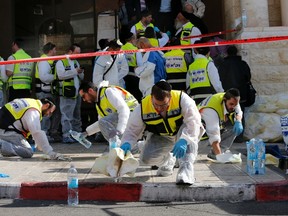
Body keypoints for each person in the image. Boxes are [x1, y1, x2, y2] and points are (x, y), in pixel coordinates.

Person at [120, 80, 204, 185]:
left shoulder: (182, 99)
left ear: (170, 98)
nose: (159, 109)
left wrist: (184, 139)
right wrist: (127, 143)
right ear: (151, 98)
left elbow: (193, 123)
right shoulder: (142, 108)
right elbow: (131, 130)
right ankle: (168, 161)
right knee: (146, 159)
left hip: (182, 132)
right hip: (162, 136)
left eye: (164, 105)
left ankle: (186, 173)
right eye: (156, 105)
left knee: (189, 142)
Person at [0, 97, 65, 160]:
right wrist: (50, 152)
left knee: (15, 147)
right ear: (47, 105)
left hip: (6, 126)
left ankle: (3, 146)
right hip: (5, 130)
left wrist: (39, 144)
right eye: (50, 112)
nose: (48, 115)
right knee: (27, 152)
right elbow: (37, 133)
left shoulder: (31, 102)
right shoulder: (33, 111)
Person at [198, 88, 243, 161]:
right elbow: (213, 137)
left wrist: (238, 121)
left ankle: (215, 153)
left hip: (211, 127)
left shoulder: (232, 99)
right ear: (224, 100)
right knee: (189, 154)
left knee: (233, 128)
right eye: (231, 104)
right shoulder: (211, 111)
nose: (233, 107)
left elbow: (238, 111)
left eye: (235, 104)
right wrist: (220, 158)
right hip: (199, 134)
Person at [218, 45, 251, 142]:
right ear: (236, 52)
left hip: (227, 95)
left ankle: (227, 138)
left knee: (226, 115)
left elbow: (219, 78)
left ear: (227, 53)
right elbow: (248, 77)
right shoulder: (243, 64)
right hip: (241, 94)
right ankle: (239, 137)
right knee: (240, 114)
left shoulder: (223, 64)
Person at [55, 44, 84, 143]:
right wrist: (75, 71)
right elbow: (61, 75)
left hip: (76, 92)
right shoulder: (61, 62)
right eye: (77, 53)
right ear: (70, 52)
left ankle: (77, 134)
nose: (78, 55)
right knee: (67, 115)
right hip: (67, 92)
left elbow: (82, 77)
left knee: (77, 115)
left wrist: (80, 72)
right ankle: (66, 135)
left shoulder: (76, 62)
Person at [35, 42, 61, 142]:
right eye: (54, 50)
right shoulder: (44, 61)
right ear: (50, 51)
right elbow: (44, 77)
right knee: (45, 114)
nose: (56, 52)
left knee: (50, 113)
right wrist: (56, 77)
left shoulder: (48, 60)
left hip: (48, 91)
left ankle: (47, 134)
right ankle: (44, 135)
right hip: (43, 92)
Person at [186, 39, 224, 105]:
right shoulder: (209, 64)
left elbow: (188, 86)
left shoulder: (191, 66)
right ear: (208, 52)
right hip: (209, 100)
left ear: (195, 51)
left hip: (195, 101)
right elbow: (216, 84)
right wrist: (222, 95)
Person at [120, 30, 143, 102]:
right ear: (132, 39)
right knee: (136, 95)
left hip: (123, 75)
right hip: (134, 74)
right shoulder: (136, 49)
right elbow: (140, 64)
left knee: (126, 95)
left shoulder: (121, 49)